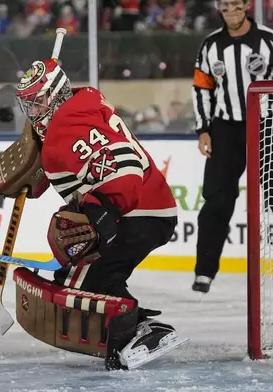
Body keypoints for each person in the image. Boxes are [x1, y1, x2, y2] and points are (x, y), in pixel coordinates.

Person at [15, 58, 184, 369]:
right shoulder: (76, 109)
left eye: (38, 103)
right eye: (29, 105)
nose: (34, 112)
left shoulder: (69, 127)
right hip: (140, 209)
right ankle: (135, 321)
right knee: (75, 277)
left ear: (56, 95)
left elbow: (127, 166)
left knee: (84, 284)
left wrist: (99, 214)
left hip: (140, 212)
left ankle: (143, 329)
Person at [192, 0, 273, 293]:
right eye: (226, 5)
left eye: (236, 5)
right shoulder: (211, 45)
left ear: (246, 6)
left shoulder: (268, 40)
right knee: (216, 201)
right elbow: (202, 88)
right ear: (219, 8)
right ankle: (205, 271)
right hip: (225, 129)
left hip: (267, 126)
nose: (232, 11)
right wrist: (203, 129)